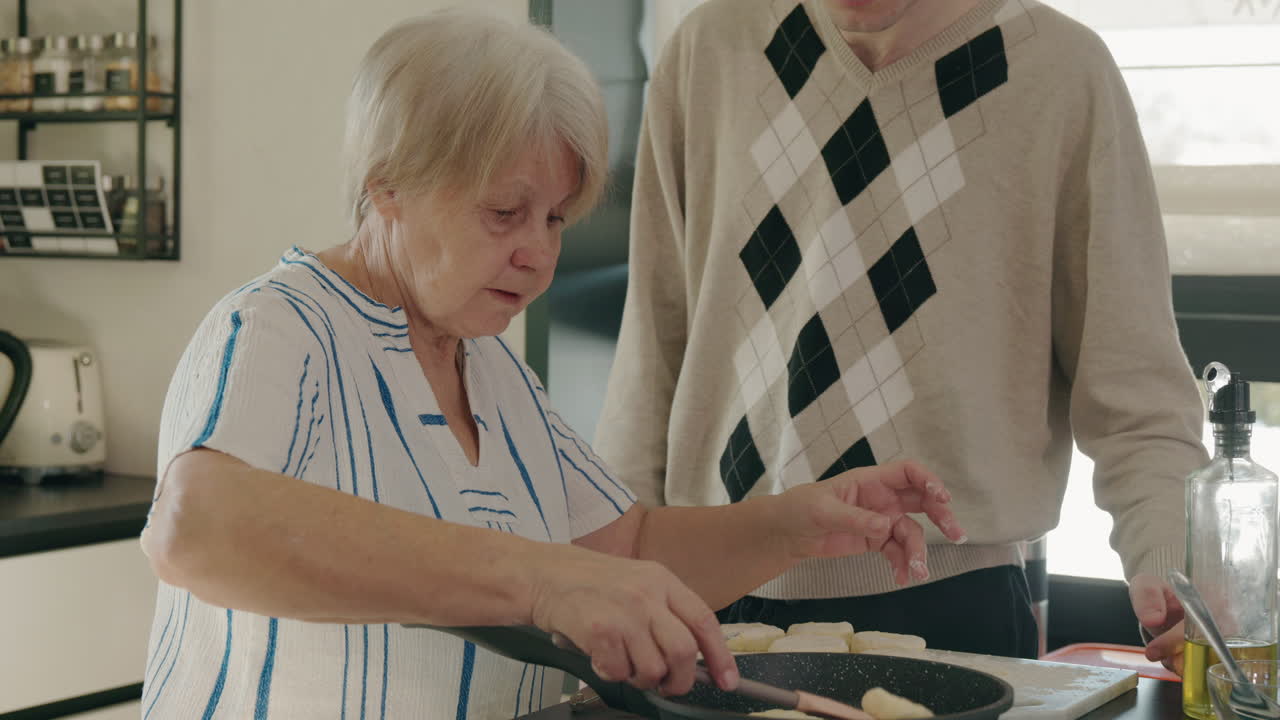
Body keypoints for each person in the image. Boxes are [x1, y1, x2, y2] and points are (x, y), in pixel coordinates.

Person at [137, 8, 965, 719]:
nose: (537, 254)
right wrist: (538, 580)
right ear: (387, 186)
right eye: (504, 213)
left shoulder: (492, 369)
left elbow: (623, 548)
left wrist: (796, 524)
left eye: (557, 218)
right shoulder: (279, 327)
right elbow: (195, 527)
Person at [596, 0, 1205, 669]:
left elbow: (1138, 400)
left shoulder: (1059, 71)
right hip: (705, 591)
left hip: (954, 607)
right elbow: (653, 355)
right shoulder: (709, 48)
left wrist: (1177, 574)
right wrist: (601, 569)